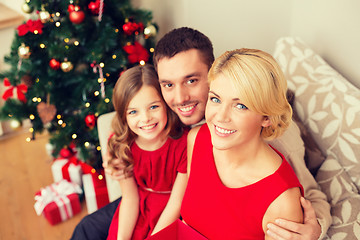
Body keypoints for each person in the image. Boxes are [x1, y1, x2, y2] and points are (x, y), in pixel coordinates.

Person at [71, 27, 331, 240]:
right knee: (85, 230)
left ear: (214, 74)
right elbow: (133, 115)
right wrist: (119, 154)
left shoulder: (274, 139)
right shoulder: (167, 111)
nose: (180, 97)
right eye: (168, 85)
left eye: (192, 80)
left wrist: (315, 227)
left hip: (188, 210)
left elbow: (308, 194)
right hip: (153, 198)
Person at [181, 48, 304, 239]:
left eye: (241, 105)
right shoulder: (197, 138)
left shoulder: (282, 201)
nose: (220, 117)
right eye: (215, 99)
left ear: (267, 117)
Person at [104, 65, 188, 239]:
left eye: (153, 107)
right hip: (138, 210)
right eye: (133, 112)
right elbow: (130, 199)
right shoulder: (123, 144)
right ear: (124, 116)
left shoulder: (185, 143)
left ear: (165, 104)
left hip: (173, 214)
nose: (145, 118)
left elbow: (176, 202)